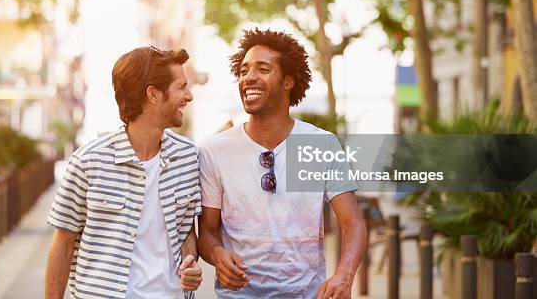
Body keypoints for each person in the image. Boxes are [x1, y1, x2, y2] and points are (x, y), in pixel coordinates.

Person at [197, 29, 367, 299]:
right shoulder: (214, 150)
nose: (248, 77)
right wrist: (218, 256)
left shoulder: (321, 145)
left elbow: (352, 222)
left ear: (288, 81)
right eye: (243, 71)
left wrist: (344, 276)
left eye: (262, 69)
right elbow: (206, 231)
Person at [45, 46, 202, 299]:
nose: (189, 96)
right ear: (153, 94)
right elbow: (62, 244)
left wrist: (190, 260)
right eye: (181, 87)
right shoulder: (88, 162)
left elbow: (185, 232)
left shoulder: (188, 157)